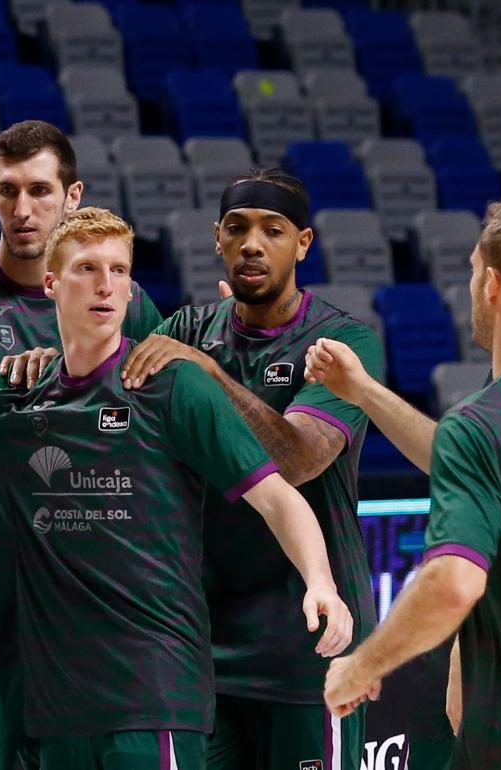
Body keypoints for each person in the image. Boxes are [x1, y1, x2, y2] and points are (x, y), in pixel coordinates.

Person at [0, 207, 352, 769]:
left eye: (119, 270)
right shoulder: (17, 391)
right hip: (57, 710)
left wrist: (320, 580)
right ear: (51, 283)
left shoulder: (173, 388)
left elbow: (275, 495)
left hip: (154, 699)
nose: (106, 285)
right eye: (87, 269)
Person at [0, 120, 162, 770]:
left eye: (40, 190)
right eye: (8, 191)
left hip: (85, 637)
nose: (23, 209)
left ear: (74, 196)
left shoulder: (125, 303)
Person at [92, 170, 381, 770]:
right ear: (217, 240)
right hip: (201, 645)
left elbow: (300, 459)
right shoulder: (186, 331)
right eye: (237, 228)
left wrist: (208, 376)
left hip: (310, 641)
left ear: (302, 243)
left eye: (272, 231)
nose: (253, 243)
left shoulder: (343, 341)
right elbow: (109, 422)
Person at [301, 181, 501, 769]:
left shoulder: (486, 422)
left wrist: (362, 665)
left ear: (493, 285)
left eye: (475, 269)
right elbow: (477, 468)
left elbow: (453, 583)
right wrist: (362, 392)